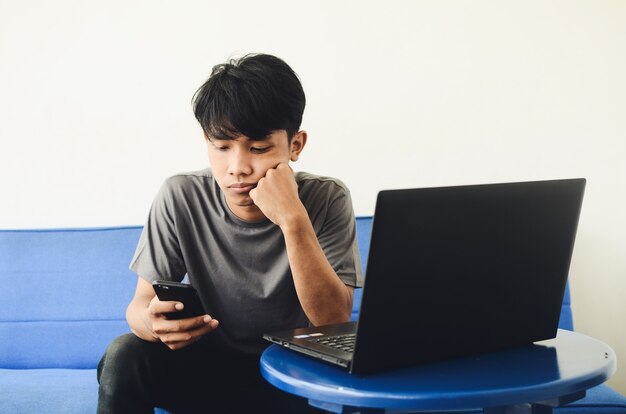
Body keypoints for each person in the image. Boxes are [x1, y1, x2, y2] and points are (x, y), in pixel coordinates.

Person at [96, 53, 363, 413]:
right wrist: (153, 324)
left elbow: (333, 321)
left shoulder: (327, 198)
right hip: (205, 373)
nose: (237, 168)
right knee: (123, 355)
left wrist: (293, 220)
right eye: (221, 147)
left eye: (259, 148)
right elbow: (139, 305)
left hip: (291, 376)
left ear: (295, 145)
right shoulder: (180, 195)